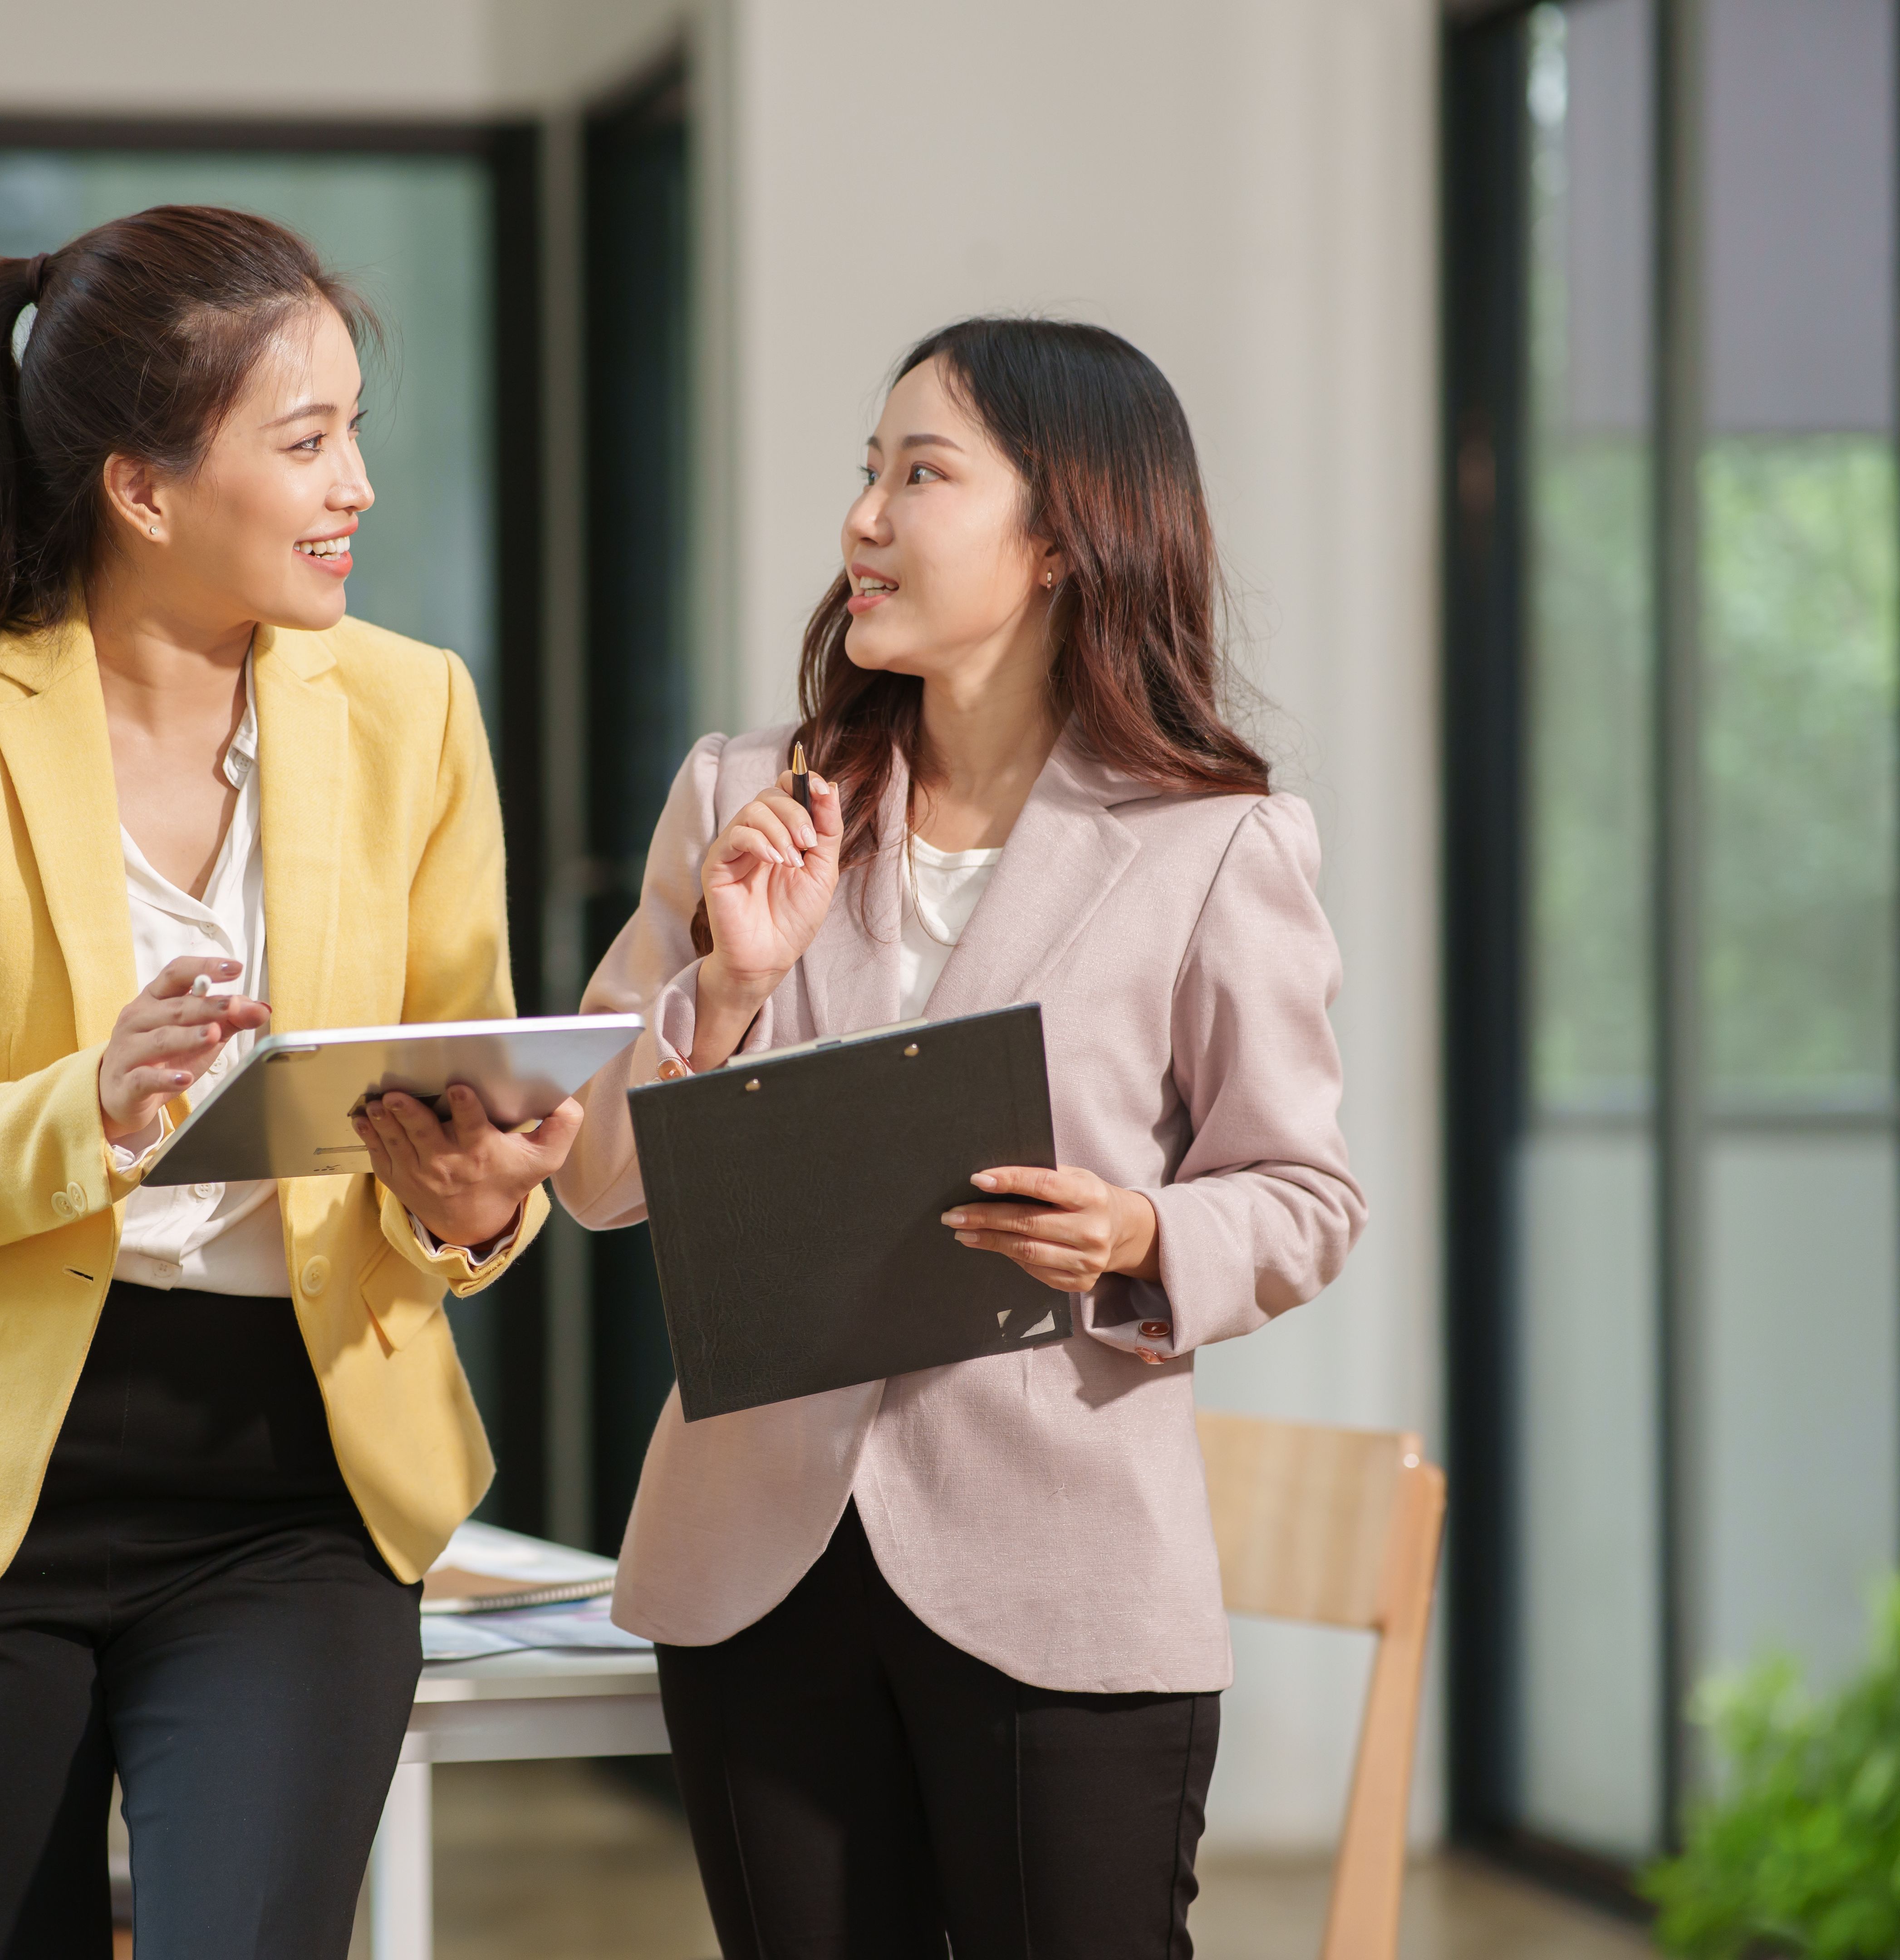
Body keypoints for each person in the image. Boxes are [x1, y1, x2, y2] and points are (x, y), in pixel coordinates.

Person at [0, 204, 579, 1959]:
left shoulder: (415, 714)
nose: (355, 482)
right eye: (306, 443)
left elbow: (475, 1103)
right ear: (144, 490)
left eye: (355, 429)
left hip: (295, 1495)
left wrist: (474, 1205)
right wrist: (85, 1111)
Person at [555, 317, 1367, 1959]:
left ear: (1064, 537)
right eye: (869, 473)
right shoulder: (745, 802)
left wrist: (1144, 1237)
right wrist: (727, 982)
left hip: (1064, 1585)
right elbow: (590, 1172)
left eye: (921, 474)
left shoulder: (1216, 845)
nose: (866, 517)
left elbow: (1304, 1196)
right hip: (754, 1572)